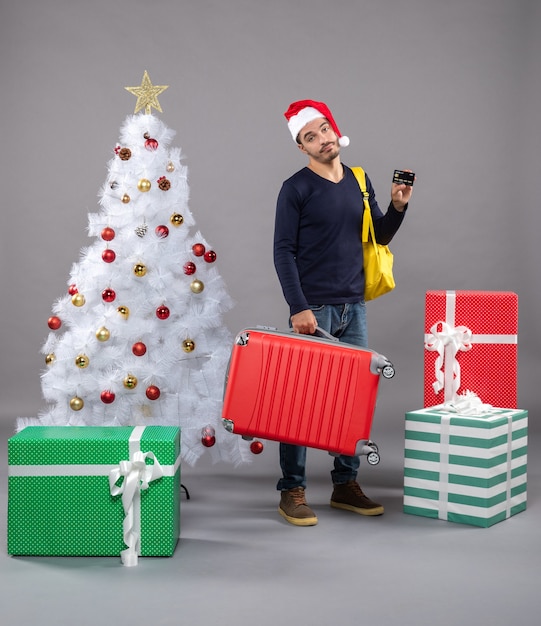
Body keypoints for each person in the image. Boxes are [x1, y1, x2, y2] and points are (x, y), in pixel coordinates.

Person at [273, 99, 413, 526]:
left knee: (353, 400)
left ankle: (344, 485)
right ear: (302, 147)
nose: (321, 139)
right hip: (313, 310)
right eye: (309, 136)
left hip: (354, 306)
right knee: (298, 404)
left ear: (336, 129)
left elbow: (378, 236)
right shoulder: (295, 188)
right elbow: (283, 252)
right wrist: (298, 307)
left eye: (324, 129)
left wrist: (398, 205)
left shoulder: (359, 179)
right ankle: (292, 491)